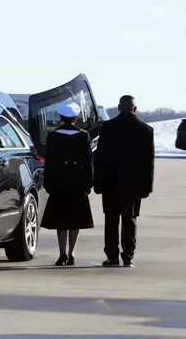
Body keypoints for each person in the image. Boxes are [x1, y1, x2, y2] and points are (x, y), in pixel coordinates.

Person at [94, 95, 154, 268]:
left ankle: (112, 256)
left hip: (111, 183)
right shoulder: (145, 130)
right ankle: (128, 256)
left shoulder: (108, 127)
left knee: (111, 220)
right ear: (135, 108)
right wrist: (147, 187)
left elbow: (100, 158)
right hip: (134, 185)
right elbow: (148, 162)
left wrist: (97, 182)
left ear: (119, 107)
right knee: (130, 219)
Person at [40, 100, 94, 266]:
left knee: (61, 220)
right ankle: (72, 253)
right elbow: (88, 162)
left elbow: (49, 162)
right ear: (76, 118)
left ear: (61, 118)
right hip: (77, 181)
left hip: (59, 182)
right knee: (75, 220)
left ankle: (62, 252)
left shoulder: (53, 136)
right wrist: (88, 183)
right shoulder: (84, 135)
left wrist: (48, 183)